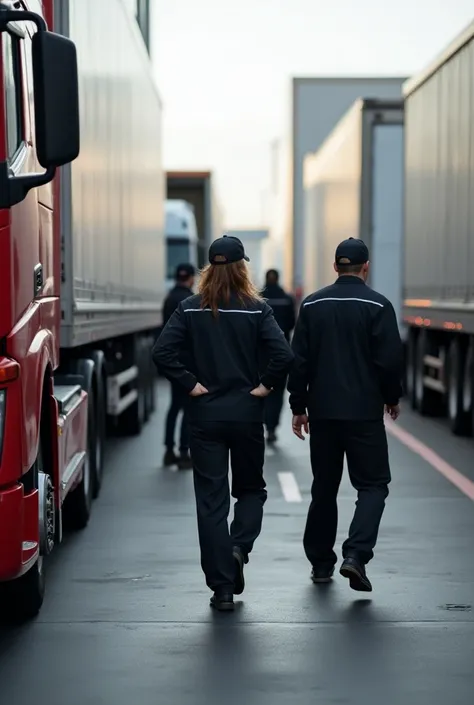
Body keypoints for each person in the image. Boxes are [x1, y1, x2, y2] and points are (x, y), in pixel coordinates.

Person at [153, 235, 294, 611]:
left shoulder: (189, 307)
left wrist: (190, 384)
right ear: (242, 268)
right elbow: (283, 354)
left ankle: (222, 589)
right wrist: (264, 387)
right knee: (250, 490)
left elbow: (162, 352)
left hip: (206, 417)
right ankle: (238, 546)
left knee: (211, 502)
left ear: (209, 269)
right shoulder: (256, 309)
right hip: (247, 414)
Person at [287, 237, 403, 592]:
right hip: (363, 414)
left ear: (335, 266)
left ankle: (321, 563)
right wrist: (391, 398)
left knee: (324, 487)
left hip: (323, 413)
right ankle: (355, 554)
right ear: (365, 268)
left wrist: (298, 405)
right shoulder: (379, 306)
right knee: (372, 485)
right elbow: (388, 361)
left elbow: (299, 359)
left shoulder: (312, 305)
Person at [161, 263, 196, 470]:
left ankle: (168, 450)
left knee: (174, 406)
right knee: (188, 409)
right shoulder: (191, 301)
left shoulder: (168, 299)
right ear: (191, 278)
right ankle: (184, 453)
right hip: (189, 362)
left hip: (172, 359)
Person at [261, 269, 296, 442]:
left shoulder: (256, 300)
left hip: (259, 354)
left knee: (259, 388)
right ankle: (272, 427)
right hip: (280, 352)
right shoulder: (286, 299)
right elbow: (291, 323)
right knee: (277, 392)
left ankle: (260, 421)